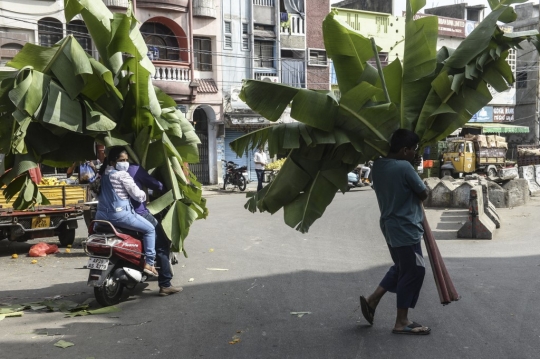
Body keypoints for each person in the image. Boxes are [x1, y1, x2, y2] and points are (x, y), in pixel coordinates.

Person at [359, 129, 430, 335]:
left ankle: (373, 300)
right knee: (414, 270)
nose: (414, 154)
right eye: (413, 150)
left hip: (390, 226)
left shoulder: (378, 166)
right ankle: (401, 321)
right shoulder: (404, 167)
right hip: (406, 227)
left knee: (402, 266)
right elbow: (423, 193)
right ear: (405, 149)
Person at [95, 147, 158, 277]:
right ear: (112, 162)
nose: (125, 163)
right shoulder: (122, 175)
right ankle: (149, 263)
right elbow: (137, 195)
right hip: (120, 216)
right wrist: (144, 195)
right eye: (121, 160)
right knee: (150, 229)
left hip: (100, 216)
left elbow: (95, 193)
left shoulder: (102, 175)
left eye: (126, 160)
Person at [127, 163, 183, 296]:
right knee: (161, 243)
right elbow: (156, 185)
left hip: (110, 214)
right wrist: (169, 189)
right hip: (137, 213)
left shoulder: (108, 171)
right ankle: (165, 284)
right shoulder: (134, 169)